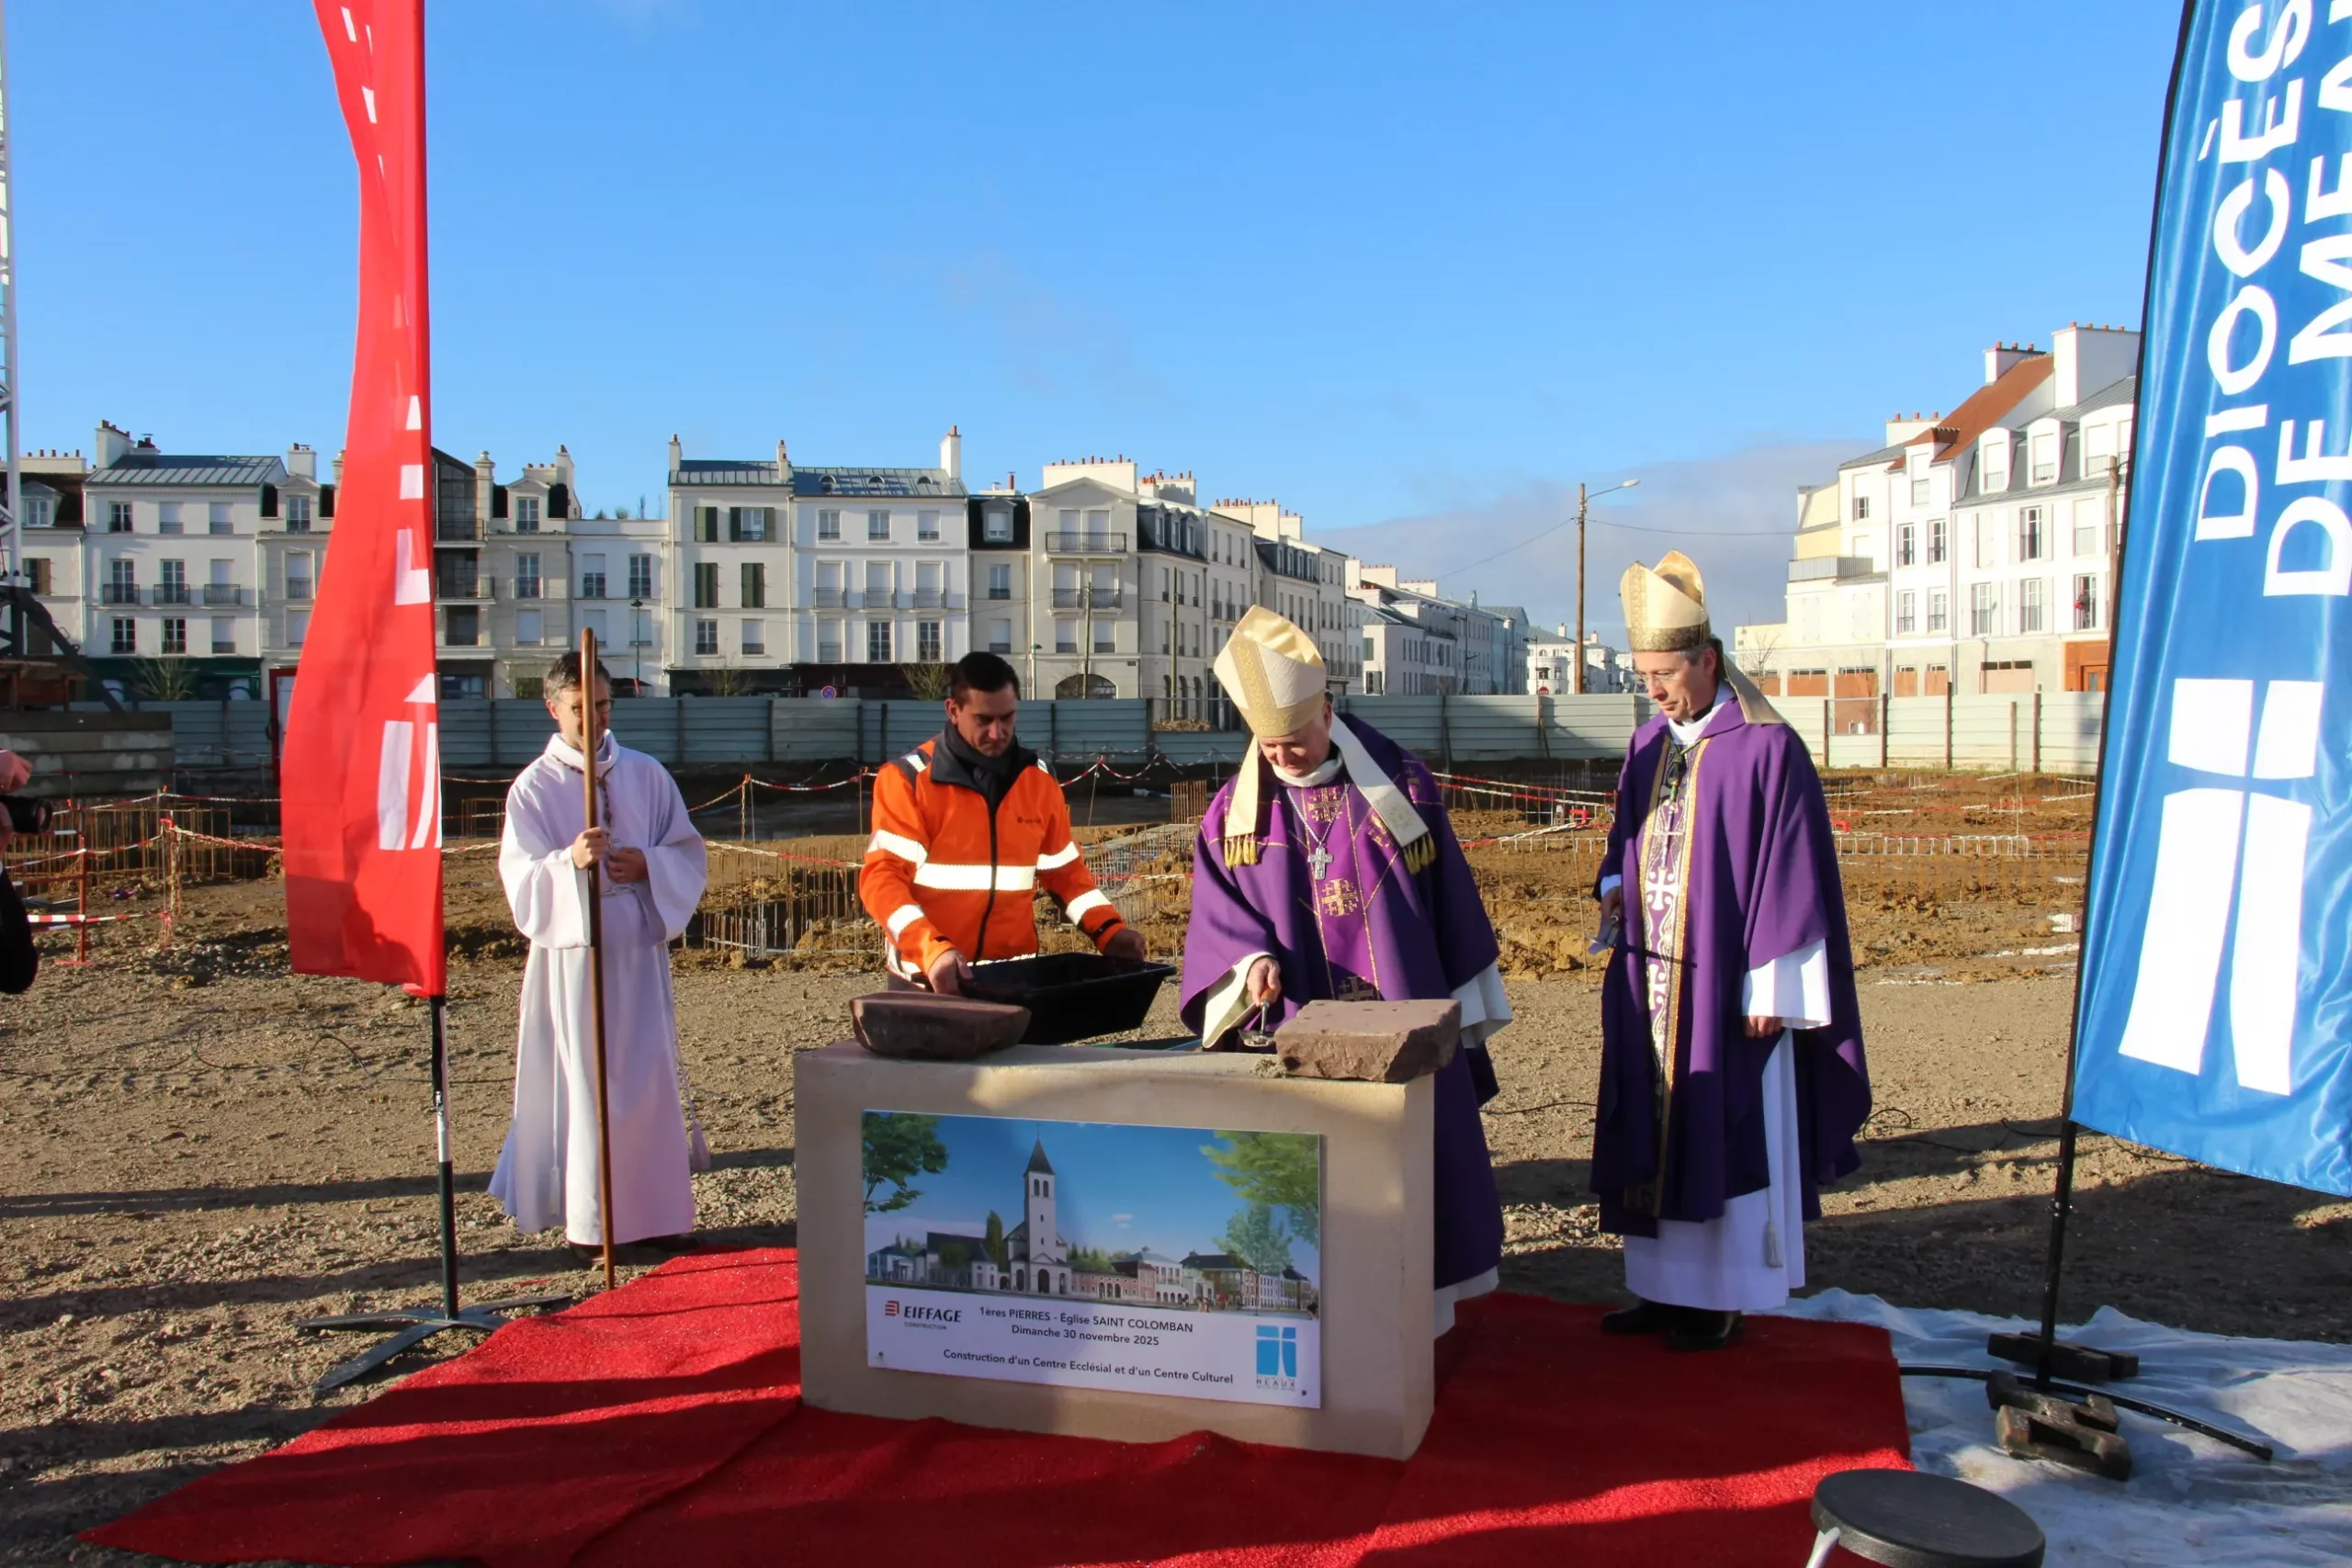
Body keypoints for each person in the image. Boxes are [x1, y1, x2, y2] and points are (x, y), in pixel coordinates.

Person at [1181, 608, 1509, 1332]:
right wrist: (1253, 961)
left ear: (1326, 712)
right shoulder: (1236, 815)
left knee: (1416, 1165)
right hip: (1302, 1026)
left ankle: (1420, 1313)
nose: (1284, 758)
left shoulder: (1400, 788)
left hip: (1403, 1016)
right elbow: (1221, 915)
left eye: (1295, 740)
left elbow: (1448, 897)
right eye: (1268, 747)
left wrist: (1468, 1006)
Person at [1590, 552, 1871, 1350]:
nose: (1653, 689)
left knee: (1726, 1122)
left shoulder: (1767, 748)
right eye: (1642, 673)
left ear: (1708, 660)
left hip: (1730, 991)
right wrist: (1613, 880)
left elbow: (1794, 871)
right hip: (1651, 981)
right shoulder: (1646, 745)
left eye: (1665, 672)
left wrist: (1772, 987)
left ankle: (1723, 1294)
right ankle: (1659, 1287)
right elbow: (1624, 840)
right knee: (1650, 1124)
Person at [490, 653, 710, 1261]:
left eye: (605, 705)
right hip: (575, 958)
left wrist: (648, 864)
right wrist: (570, 865)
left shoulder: (644, 773)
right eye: (581, 708)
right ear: (554, 707)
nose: (595, 718)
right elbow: (522, 879)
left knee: (648, 1080)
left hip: (637, 953)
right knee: (588, 1085)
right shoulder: (534, 788)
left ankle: (659, 1211)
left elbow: (686, 851)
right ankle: (594, 1221)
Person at [861, 651, 1146, 992]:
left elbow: (1067, 876)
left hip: (1014, 982)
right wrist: (930, 949)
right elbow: (882, 881)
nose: (997, 732)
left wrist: (1110, 930)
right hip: (928, 981)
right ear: (953, 710)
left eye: (1007, 718)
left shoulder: (1038, 781)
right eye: (983, 720)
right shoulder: (908, 781)